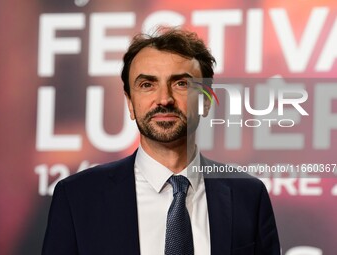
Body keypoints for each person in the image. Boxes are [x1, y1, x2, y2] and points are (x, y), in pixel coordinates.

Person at [42, 28, 281, 255]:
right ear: (130, 103)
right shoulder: (77, 197)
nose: (164, 99)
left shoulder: (249, 196)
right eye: (147, 85)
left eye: (181, 84)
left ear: (207, 101)